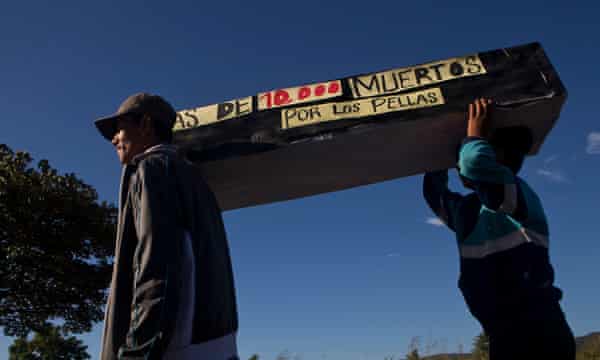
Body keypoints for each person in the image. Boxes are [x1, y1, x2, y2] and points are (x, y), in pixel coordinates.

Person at [423, 98, 575, 359]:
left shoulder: (517, 194)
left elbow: (475, 165)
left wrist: (474, 134)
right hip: (501, 334)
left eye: (471, 148)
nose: (461, 161)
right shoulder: (465, 211)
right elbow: (434, 195)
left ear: (499, 159)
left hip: (542, 332)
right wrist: (437, 159)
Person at [94, 93, 239, 360]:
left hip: (177, 347)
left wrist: (137, 352)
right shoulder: (194, 177)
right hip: (216, 342)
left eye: (119, 128)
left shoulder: (154, 168)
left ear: (146, 125)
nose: (114, 139)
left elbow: (158, 265)